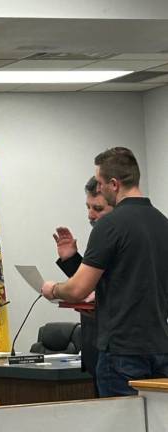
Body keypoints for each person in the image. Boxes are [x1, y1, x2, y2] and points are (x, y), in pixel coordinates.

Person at [42, 147, 168, 397]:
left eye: (100, 183)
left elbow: (79, 289)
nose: (99, 188)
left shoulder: (109, 225)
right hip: (160, 348)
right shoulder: (163, 223)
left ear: (113, 184)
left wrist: (52, 289)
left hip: (121, 353)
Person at [54, 176, 113, 390]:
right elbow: (94, 283)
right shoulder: (100, 236)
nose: (90, 215)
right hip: (95, 350)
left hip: (117, 353)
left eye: (97, 208)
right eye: (88, 207)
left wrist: (54, 290)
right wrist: (71, 259)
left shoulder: (120, 237)